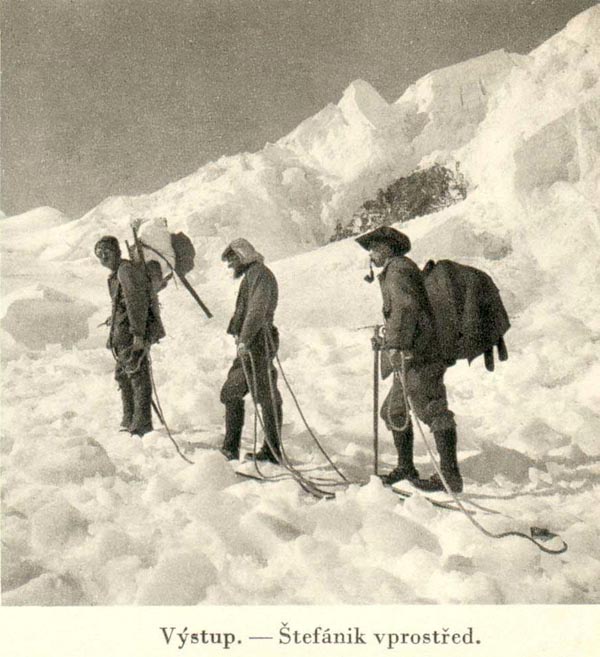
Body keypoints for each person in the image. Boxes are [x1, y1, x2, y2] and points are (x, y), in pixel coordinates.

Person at [355, 226, 463, 492]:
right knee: (394, 412)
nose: (371, 254)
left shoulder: (398, 270)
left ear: (388, 248)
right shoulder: (397, 269)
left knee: (432, 409)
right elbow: (404, 314)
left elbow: (406, 309)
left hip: (420, 356)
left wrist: (397, 344)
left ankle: (450, 476)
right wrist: (387, 341)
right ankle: (406, 467)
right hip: (410, 355)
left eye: (375, 248)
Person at [220, 238, 283, 463]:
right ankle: (234, 448)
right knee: (234, 391)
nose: (230, 265)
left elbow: (257, 310)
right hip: (252, 343)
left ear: (243, 254)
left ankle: (270, 451)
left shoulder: (259, 274)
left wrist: (245, 339)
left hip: (257, 343)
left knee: (264, 396)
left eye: (233, 259)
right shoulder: (254, 275)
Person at [95, 235, 165, 437]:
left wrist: (138, 335)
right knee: (124, 375)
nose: (103, 257)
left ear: (117, 251)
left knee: (136, 376)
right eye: (99, 254)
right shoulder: (118, 273)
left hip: (131, 334)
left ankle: (141, 424)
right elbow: (125, 303)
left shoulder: (125, 271)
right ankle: (130, 420)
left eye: (106, 252)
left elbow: (137, 303)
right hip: (122, 333)